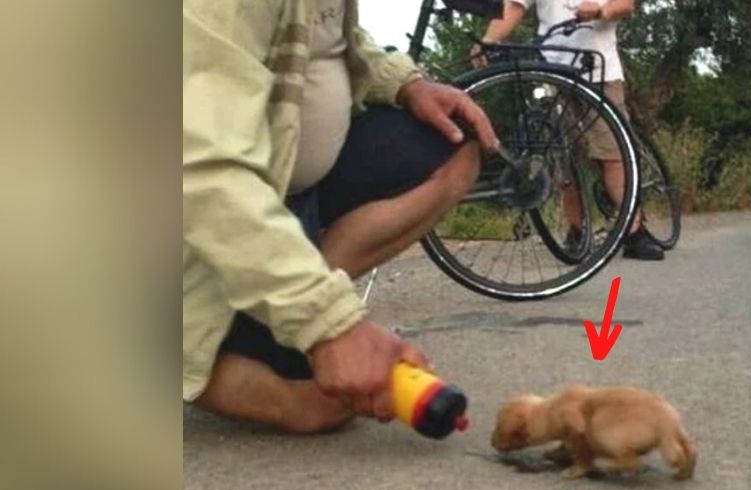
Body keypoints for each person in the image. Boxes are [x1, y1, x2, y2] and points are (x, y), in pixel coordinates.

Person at [183, 0, 497, 434]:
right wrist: (328, 325)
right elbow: (197, 165)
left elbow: (332, 38)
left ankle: (280, 304)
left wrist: (406, 83)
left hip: (290, 186)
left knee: (455, 146)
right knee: (313, 404)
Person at [473, 0, 663, 260]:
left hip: (598, 71)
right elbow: (514, 6)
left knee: (614, 154)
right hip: (552, 68)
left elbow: (625, 4)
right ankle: (576, 230)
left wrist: (600, 11)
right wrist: (488, 40)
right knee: (564, 159)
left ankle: (634, 230)